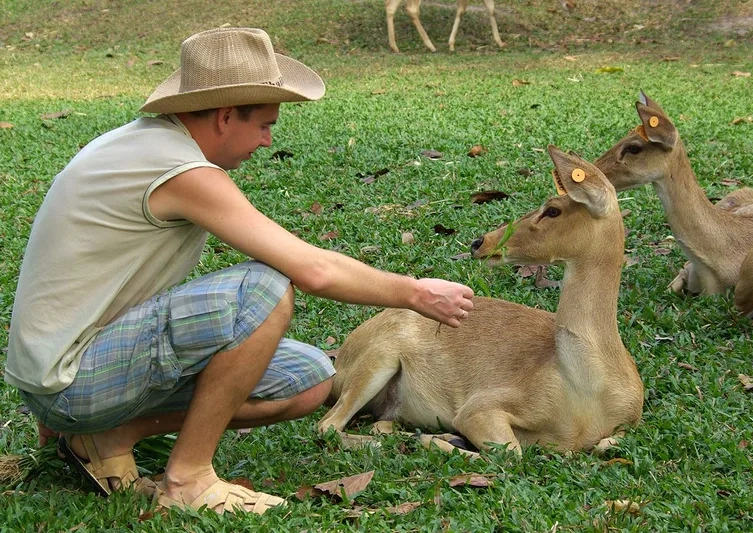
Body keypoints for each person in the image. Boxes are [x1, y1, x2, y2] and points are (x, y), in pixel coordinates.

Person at [5, 27, 474, 515]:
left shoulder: (150, 145)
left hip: (70, 377)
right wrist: (416, 293)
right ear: (227, 116)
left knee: (311, 378)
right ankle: (187, 480)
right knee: (262, 289)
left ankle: (107, 436)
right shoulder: (181, 170)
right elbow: (312, 269)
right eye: (266, 124)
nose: (269, 141)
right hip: (70, 382)